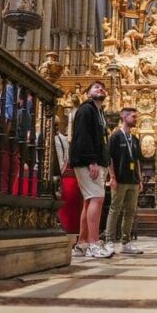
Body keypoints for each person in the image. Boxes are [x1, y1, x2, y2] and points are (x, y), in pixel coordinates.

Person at [69, 81, 114, 258]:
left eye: (102, 87)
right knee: (97, 198)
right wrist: (92, 160)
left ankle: (82, 243)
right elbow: (82, 136)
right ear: (88, 93)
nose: (100, 89)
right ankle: (94, 244)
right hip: (88, 161)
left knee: (89, 201)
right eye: (96, 87)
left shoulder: (98, 112)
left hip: (95, 161)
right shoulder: (86, 109)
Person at [104, 107, 144, 255]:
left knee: (130, 212)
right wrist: (112, 177)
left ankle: (126, 242)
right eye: (133, 117)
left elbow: (137, 160)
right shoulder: (115, 136)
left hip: (133, 180)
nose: (135, 119)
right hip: (120, 179)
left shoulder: (134, 139)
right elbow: (109, 158)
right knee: (115, 210)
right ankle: (109, 241)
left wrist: (140, 179)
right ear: (124, 117)